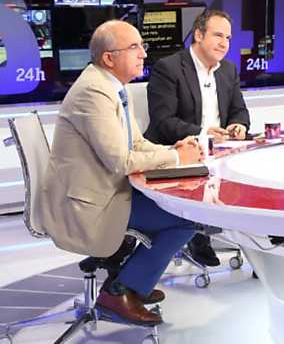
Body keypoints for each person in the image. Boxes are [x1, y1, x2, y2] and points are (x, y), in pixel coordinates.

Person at [41, 20, 202, 326]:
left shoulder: (113, 86)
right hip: (90, 205)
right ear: (109, 58)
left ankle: (132, 279)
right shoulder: (94, 92)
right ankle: (121, 291)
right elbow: (120, 161)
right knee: (187, 218)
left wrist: (173, 151)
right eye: (134, 47)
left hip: (108, 191)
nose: (143, 54)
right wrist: (176, 157)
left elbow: (135, 143)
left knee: (179, 210)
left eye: (142, 46)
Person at [145, 9, 250, 267]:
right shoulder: (169, 68)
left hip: (220, 152)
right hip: (180, 152)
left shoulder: (228, 70)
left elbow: (240, 110)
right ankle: (195, 233)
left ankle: (253, 243)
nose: (224, 43)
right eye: (218, 35)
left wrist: (238, 125)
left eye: (228, 38)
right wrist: (203, 133)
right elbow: (164, 122)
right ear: (199, 35)